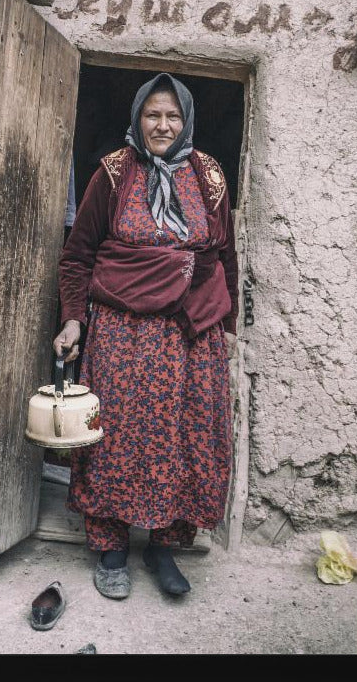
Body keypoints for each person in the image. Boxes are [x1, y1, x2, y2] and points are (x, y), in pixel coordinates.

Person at [53, 73, 238, 599]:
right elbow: (79, 255)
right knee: (114, 434)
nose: (162, 126)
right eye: (152, 115)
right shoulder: (113, 173)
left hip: (189, 335)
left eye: (172, 116)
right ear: (137, 118)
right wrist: (72, 319)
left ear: (187, 121)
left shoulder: (209, 176)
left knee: (184, 437)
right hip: (122, 332)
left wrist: (226, 326)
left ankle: (163, 545)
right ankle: (111, 546)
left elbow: (223, 255)